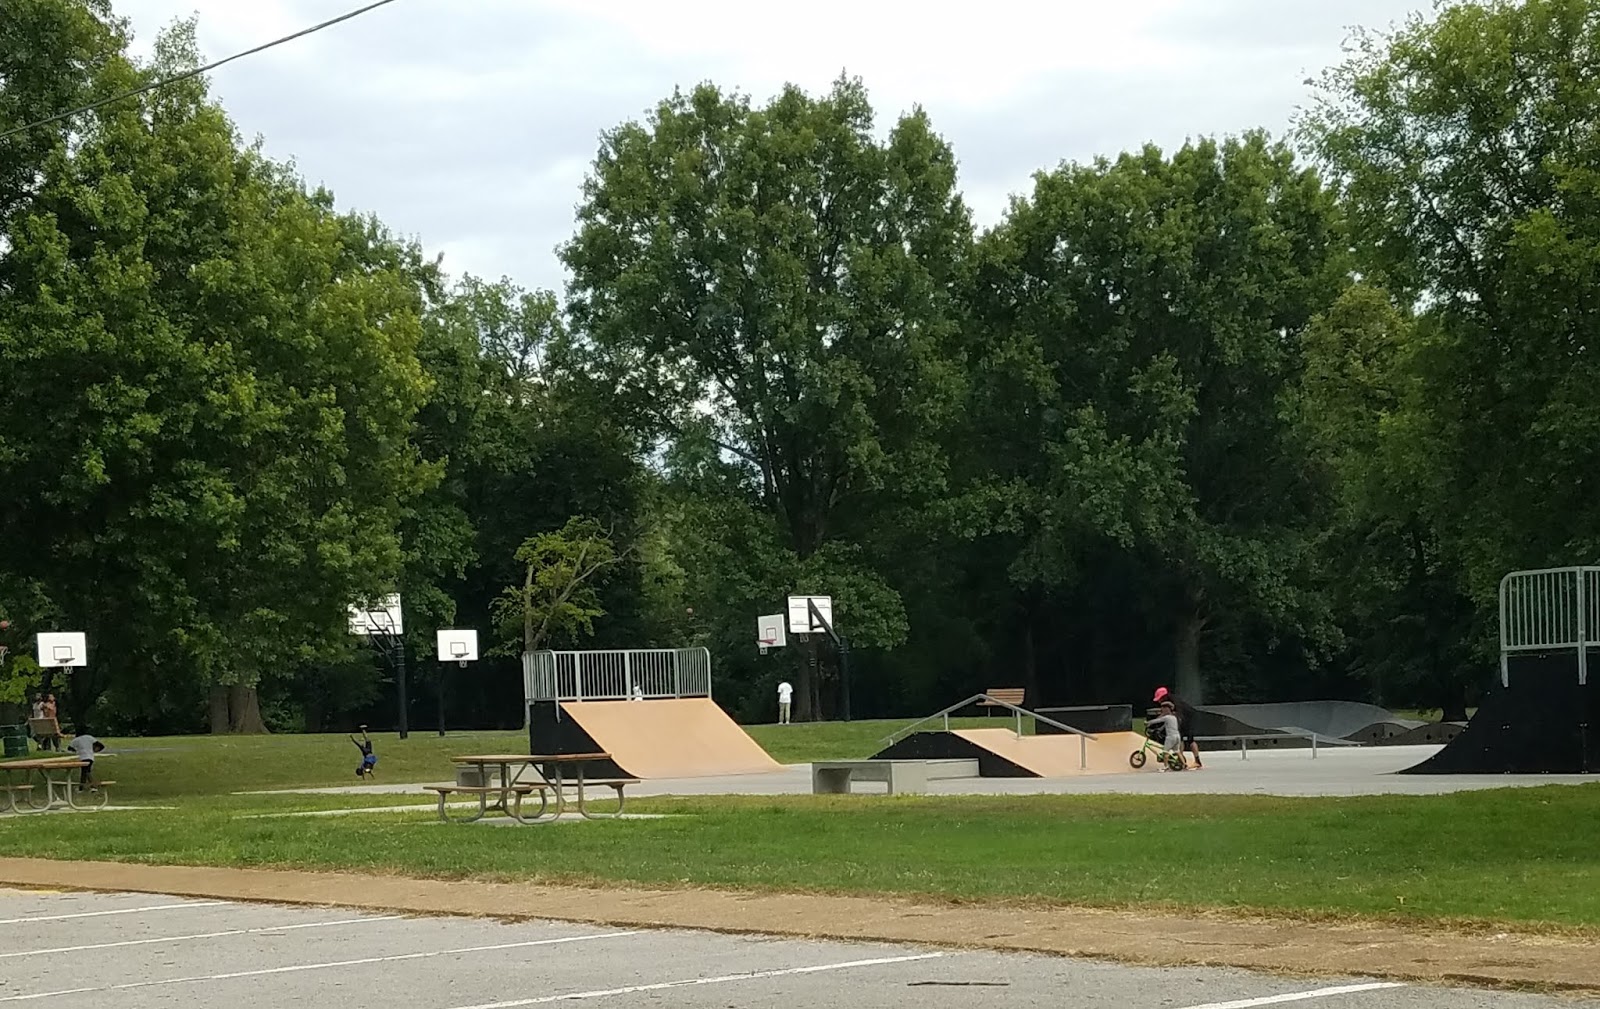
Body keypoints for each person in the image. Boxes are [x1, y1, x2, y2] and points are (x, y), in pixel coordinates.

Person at [1153, 686, 1203, 769]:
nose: (1158, 701)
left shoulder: (1169, 702)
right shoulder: (1172, 700)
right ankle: (1181, 758)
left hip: (1188, 718)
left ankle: (1197, 761)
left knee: (1189, 739)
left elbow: (1166, 715)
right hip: (1185, 717)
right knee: (1181, 738)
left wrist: (1154, 721)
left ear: (1163, 697)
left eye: (1159, 699)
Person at [1152, 701, 1184, 769]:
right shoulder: (1174, 717)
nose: (1162, 710)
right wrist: (1160, 729)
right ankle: (1184, 764)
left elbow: (1157, 721)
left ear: (1167, 709)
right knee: (1177, 751)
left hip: (1170, 737)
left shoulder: (1167, 717)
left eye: (1163, 708)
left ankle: (1166, 767)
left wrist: (1148, 723)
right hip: (1177, 736)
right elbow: (1166, 725)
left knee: (1165, 752)